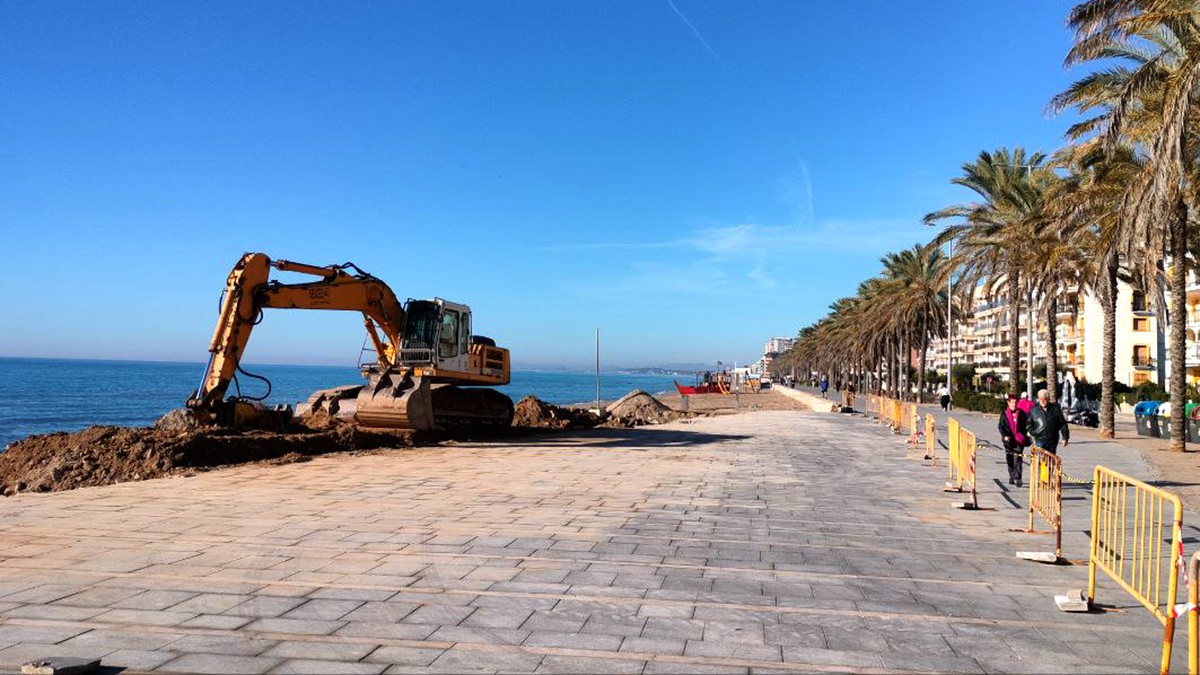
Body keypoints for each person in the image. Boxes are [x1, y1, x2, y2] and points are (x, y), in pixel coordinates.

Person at [998, 393, 1031, 486]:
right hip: (1008, 440)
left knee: (1018, 459)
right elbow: (1001, 426)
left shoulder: (1021, 413)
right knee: (1010, 459)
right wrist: (1005, 435)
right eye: (1012, 403)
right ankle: (1011, 476)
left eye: (1015, 403)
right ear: (1008, 403)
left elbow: (1026, 425)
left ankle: (1018, 478)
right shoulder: (1004, 414)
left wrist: (1026, 434)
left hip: (1019, 440)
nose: (1014, 405)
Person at [1028, 388, 1070, 454]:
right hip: (1040, 440)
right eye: (1040, 399)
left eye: (1044, 399)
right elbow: (1029, 424)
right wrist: (1034, 432)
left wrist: (1065, 438)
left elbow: (1063, 424)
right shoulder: (1034, 410)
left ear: (1048, 399)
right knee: (1041, 460)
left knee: (1051, 460)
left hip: (1052, 440)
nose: (1042, 401)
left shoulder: (1055, 408)